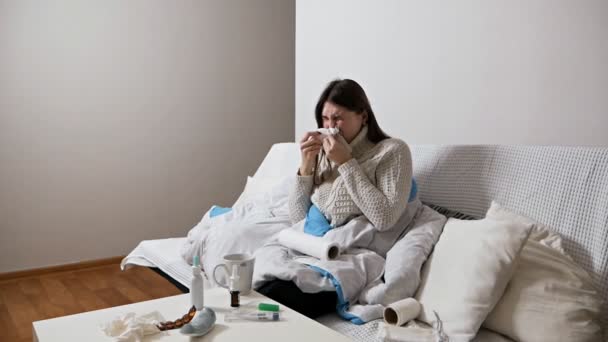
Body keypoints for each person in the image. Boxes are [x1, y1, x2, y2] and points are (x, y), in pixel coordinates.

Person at [257, 78, 414, 318]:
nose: (330, 126)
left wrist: (346, 162)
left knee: (278, 300)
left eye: (338, 118)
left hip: (350, 254)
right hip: (312, 247)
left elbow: (384, 218)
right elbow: (299, 217)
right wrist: (306, 167)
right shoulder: (323, 152)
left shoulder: (392, 151)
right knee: (259, 289)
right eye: (325, 118)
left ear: (363, 116)